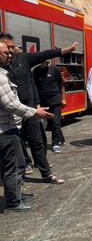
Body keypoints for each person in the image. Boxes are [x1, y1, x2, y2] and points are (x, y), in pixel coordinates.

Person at [0, 32, 75, 183]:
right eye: (7, 48)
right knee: (17, 147)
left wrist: (65, 50)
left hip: (31, 111)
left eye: (12, 47)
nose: (10, 51)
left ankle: (46, 173)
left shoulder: (23, 59)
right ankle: (19, 177)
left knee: (37, 142)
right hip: (11, 116)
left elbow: (43, 54)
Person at [0, 42, 54, 212]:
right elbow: (11, 104)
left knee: (19, 163)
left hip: (9, 127)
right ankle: (14, 202)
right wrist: (34, 112)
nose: (10, 55)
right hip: (6, 129)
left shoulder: (4, 74)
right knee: (14, 166)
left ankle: (16, 194)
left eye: (10, 52)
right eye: (5, 53)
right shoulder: (1, 77)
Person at [33, 60, 66, 154]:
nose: (46, 63)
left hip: (55, 100)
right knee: (50, 123)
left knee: (56, 122)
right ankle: (61, 138)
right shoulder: (36, 71)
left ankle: (55, 143)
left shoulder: (54, 70)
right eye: (44, 61)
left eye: (47, 61)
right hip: (43, 102)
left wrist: (63, 98)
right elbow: (33, 86)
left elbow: (61, 85)